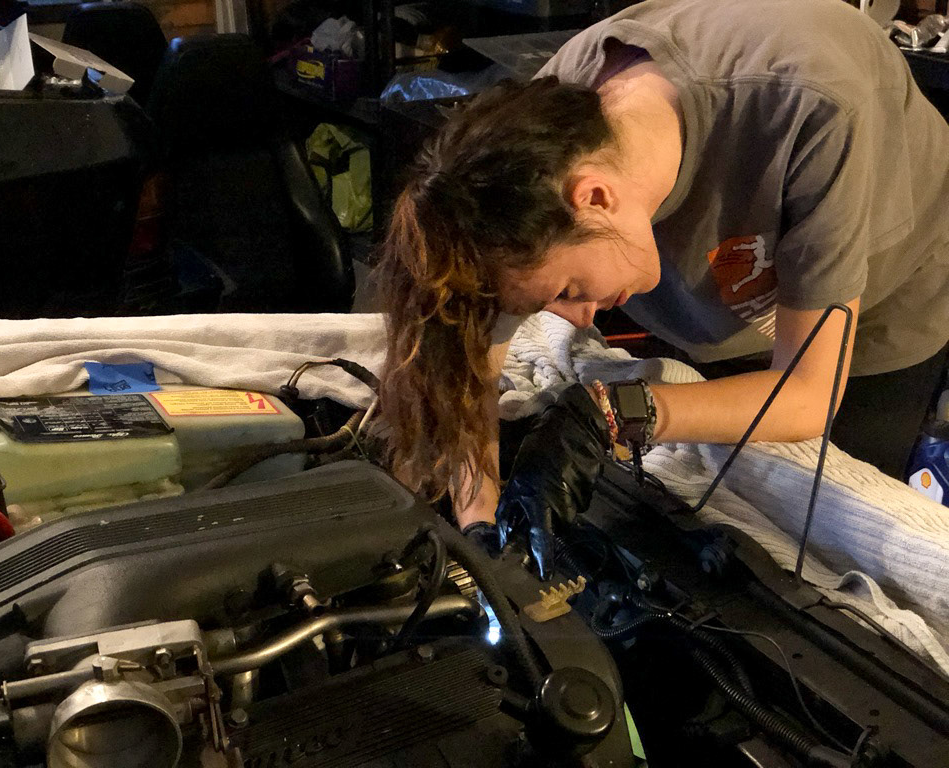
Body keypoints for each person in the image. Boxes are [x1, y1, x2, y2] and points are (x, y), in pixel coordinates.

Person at [374, 0, 949, 568]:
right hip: (725, 279)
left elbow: (804, 395)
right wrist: (480, 524)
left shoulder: (812, 109)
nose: (579, 319)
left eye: (568, 291)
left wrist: (612, 412)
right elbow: (477, 348)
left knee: (814, 541)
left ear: (595, 198)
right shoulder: (539, 140)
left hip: (880, 306)